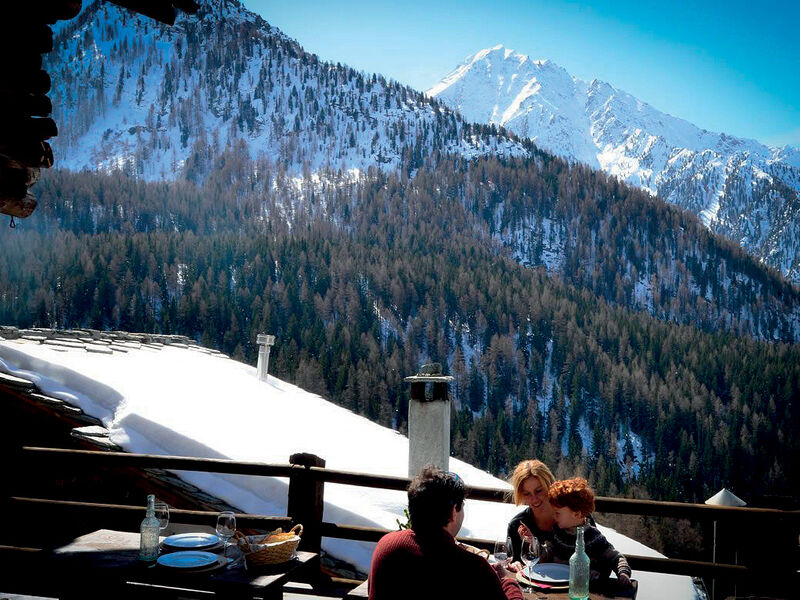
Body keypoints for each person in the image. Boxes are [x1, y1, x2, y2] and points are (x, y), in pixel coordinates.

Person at [368, 465, 523, 600]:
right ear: (453, 512)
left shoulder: (387, 546)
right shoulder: (473, 568)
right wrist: (506, 580)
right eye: (462, 505)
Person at [548, 477, 633, 587]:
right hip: (559, 586)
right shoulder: (557, 532)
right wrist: (533, 544)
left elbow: (614, 557)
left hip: (588, 588)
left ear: (577, 514)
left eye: (557, 513)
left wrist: (623, 573)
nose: (553, 516)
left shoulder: (593, 537)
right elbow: (548, 551)